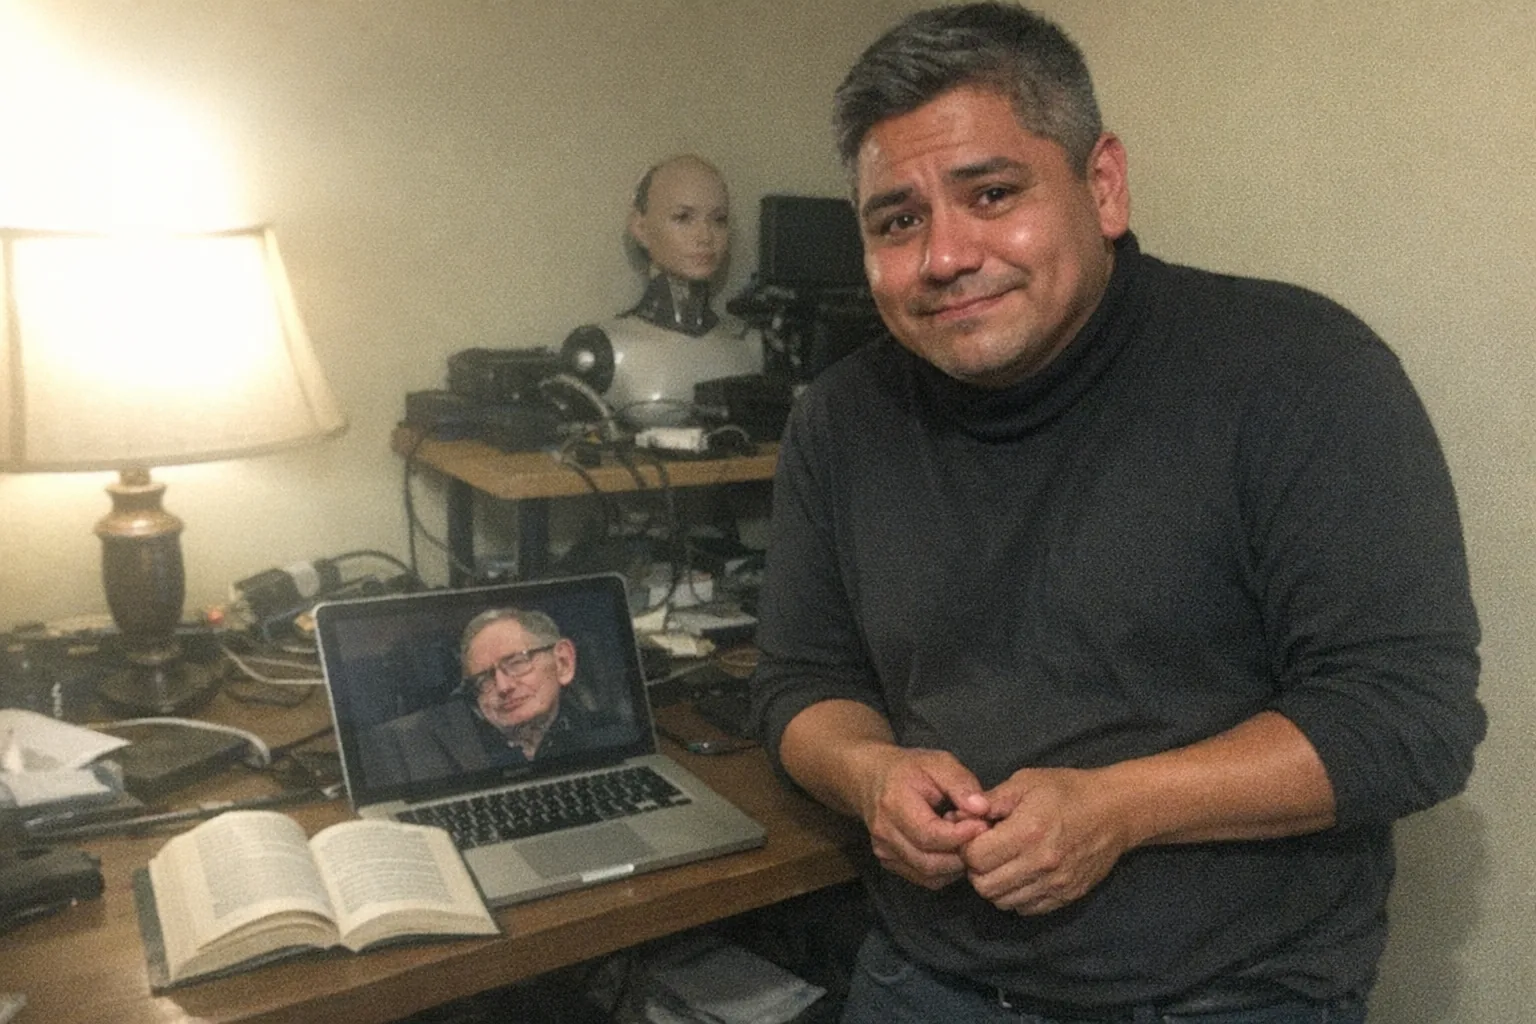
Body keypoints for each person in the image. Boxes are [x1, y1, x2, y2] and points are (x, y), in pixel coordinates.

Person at [748, 4, 1485, 1022]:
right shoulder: (839, 417)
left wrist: (1117, 809)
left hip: (1227, 989)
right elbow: (802, 679)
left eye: (992, 193)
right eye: (897, 220)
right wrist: (870, 773)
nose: (945, 255)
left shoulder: (1301, 372)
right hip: (928, 975)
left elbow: (1409, 719)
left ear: (1101, 185)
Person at [570, 154, 760, 428]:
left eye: (719, 220)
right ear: (641, 227)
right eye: (683, 218)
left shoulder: (752, 345)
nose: (705, 236)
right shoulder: (601, 349)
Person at [363, 607, 620, 784]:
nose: (503, 685)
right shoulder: (409, 749)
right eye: (484, 678)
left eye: (517, 662)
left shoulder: (612, 734)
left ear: (562, 662)